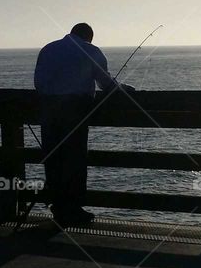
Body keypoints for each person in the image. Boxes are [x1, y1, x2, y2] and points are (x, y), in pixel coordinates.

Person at [34, 23, 134, 226]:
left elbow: (39, 83)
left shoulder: (48, 49)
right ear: (89, 37)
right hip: (76, 111)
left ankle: (57, 206)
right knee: (74, 159)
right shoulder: (91, 50)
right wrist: (123, 88)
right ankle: (73, 209)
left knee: (54, 159)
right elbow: (105, 84)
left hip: (49, 110)